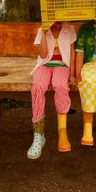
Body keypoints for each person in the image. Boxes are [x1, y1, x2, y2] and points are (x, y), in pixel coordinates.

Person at [27, 21, 76, 159]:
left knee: (60, 85)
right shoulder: (42, 30)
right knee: (37, 87)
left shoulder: (69, 29)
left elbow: (72, 53)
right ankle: (38, 135)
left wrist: (72, 74)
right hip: (44, 64)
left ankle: (62, 131)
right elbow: (43, 55)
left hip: (62, 65)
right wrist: (43, 32)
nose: (58, 20)